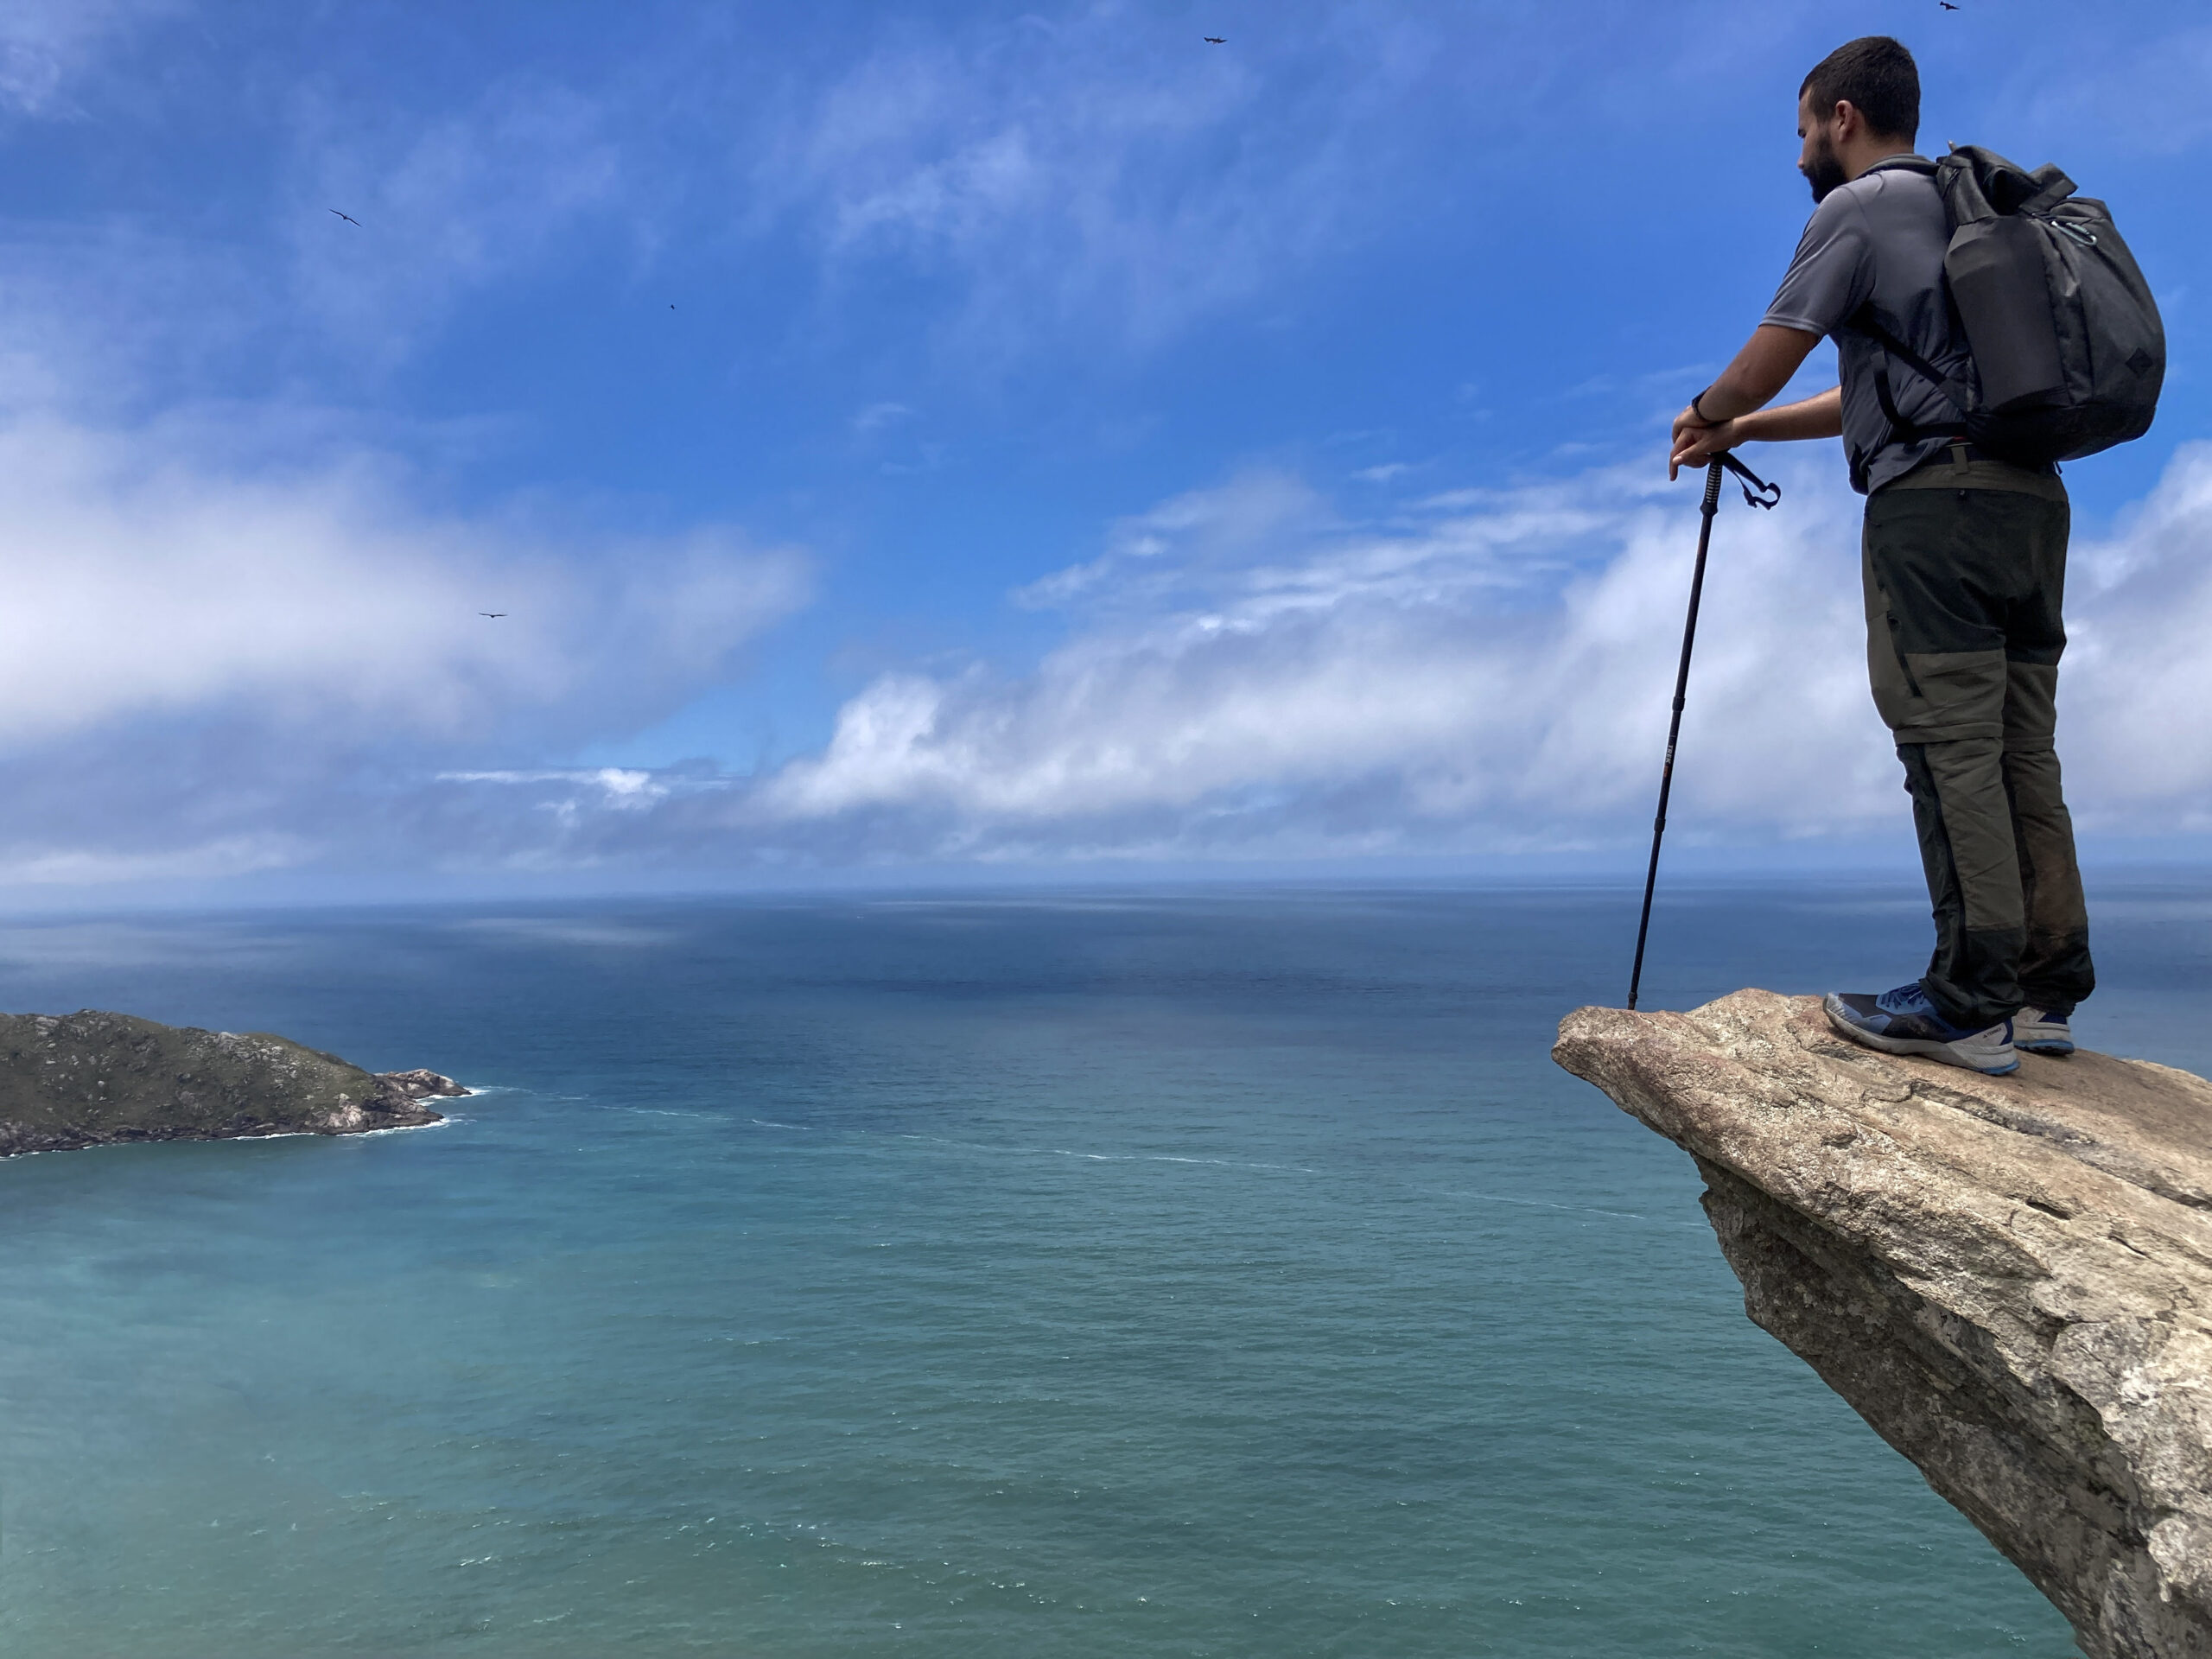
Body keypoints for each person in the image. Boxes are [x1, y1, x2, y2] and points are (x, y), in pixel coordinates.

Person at [1669, 35, 2092, 1077]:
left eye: (1804, 128)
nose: (1801, 151)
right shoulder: (1971, 207)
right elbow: (1881, 386)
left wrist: (1704, 413)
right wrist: (1751, 433)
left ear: (1841, 118)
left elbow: (1775, 350)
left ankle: (1968, 999)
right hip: (2030, 501)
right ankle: (2045, 990)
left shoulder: (1852, 211)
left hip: (1932, 511)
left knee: (1945, 742)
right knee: (2018, 746)